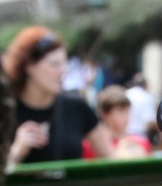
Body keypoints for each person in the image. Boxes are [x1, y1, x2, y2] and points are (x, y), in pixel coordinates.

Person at [1, 26, 115, 166]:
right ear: (29, 66)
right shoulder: (6, 110)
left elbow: (110, 159)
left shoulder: (76, 105)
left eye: (64, 63)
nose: (63, 71)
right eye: (54, 64)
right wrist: (16, 152)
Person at [83, 85, 152, 159]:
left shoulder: (143, 143)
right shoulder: (92, 146)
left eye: (127, 111)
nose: (126, 116)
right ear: (106, 115)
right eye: (120, 111)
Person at [125, 73, 157, 141]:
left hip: (124, 135)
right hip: (140, 136)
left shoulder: (126, 93)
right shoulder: (147, 97)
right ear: (145, 85)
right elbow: (149, 122)